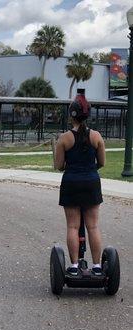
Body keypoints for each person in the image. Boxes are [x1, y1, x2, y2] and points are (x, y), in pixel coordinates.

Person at [54, 89, 105, 276]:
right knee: (93, 226)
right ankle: (98, 267)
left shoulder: (64, 138)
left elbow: (59, 165)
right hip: (91, 182)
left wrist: (71, 164)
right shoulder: (97, 136)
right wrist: (88, 169)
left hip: (72, 183)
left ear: (71, 115)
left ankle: (74, 266)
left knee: (73, 226)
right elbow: (102, 162)